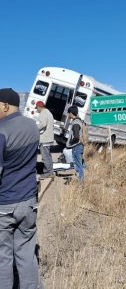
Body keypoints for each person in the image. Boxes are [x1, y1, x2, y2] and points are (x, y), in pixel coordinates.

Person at [0, 88, 41, 288]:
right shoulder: (32, 126)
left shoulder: (1, 131)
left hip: (4, 205)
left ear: (5, 106)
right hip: (28, 203)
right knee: (26, 254)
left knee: (3, 259)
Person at [36, 101, 55, 179]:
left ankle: (47, 173)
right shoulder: (48, 112)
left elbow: (42, 124)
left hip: (44, 138)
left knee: (45, 157)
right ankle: (50, 172)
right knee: (48, 156)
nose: (37, 110)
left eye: (37, 108)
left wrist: (34, 128)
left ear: (39, 107)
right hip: (48, 137)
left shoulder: (43, 113)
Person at [66, 105, 85, 180]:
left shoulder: (76, 123)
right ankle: (81, 181)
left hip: (77, 146)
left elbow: (76, 137)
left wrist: (70, 143)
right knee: (79, 165)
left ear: (71, 113)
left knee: (78, 166)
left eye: (68, 113)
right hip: (79, 146)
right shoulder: (78, 121)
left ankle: (80, 183)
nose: (67, 115)